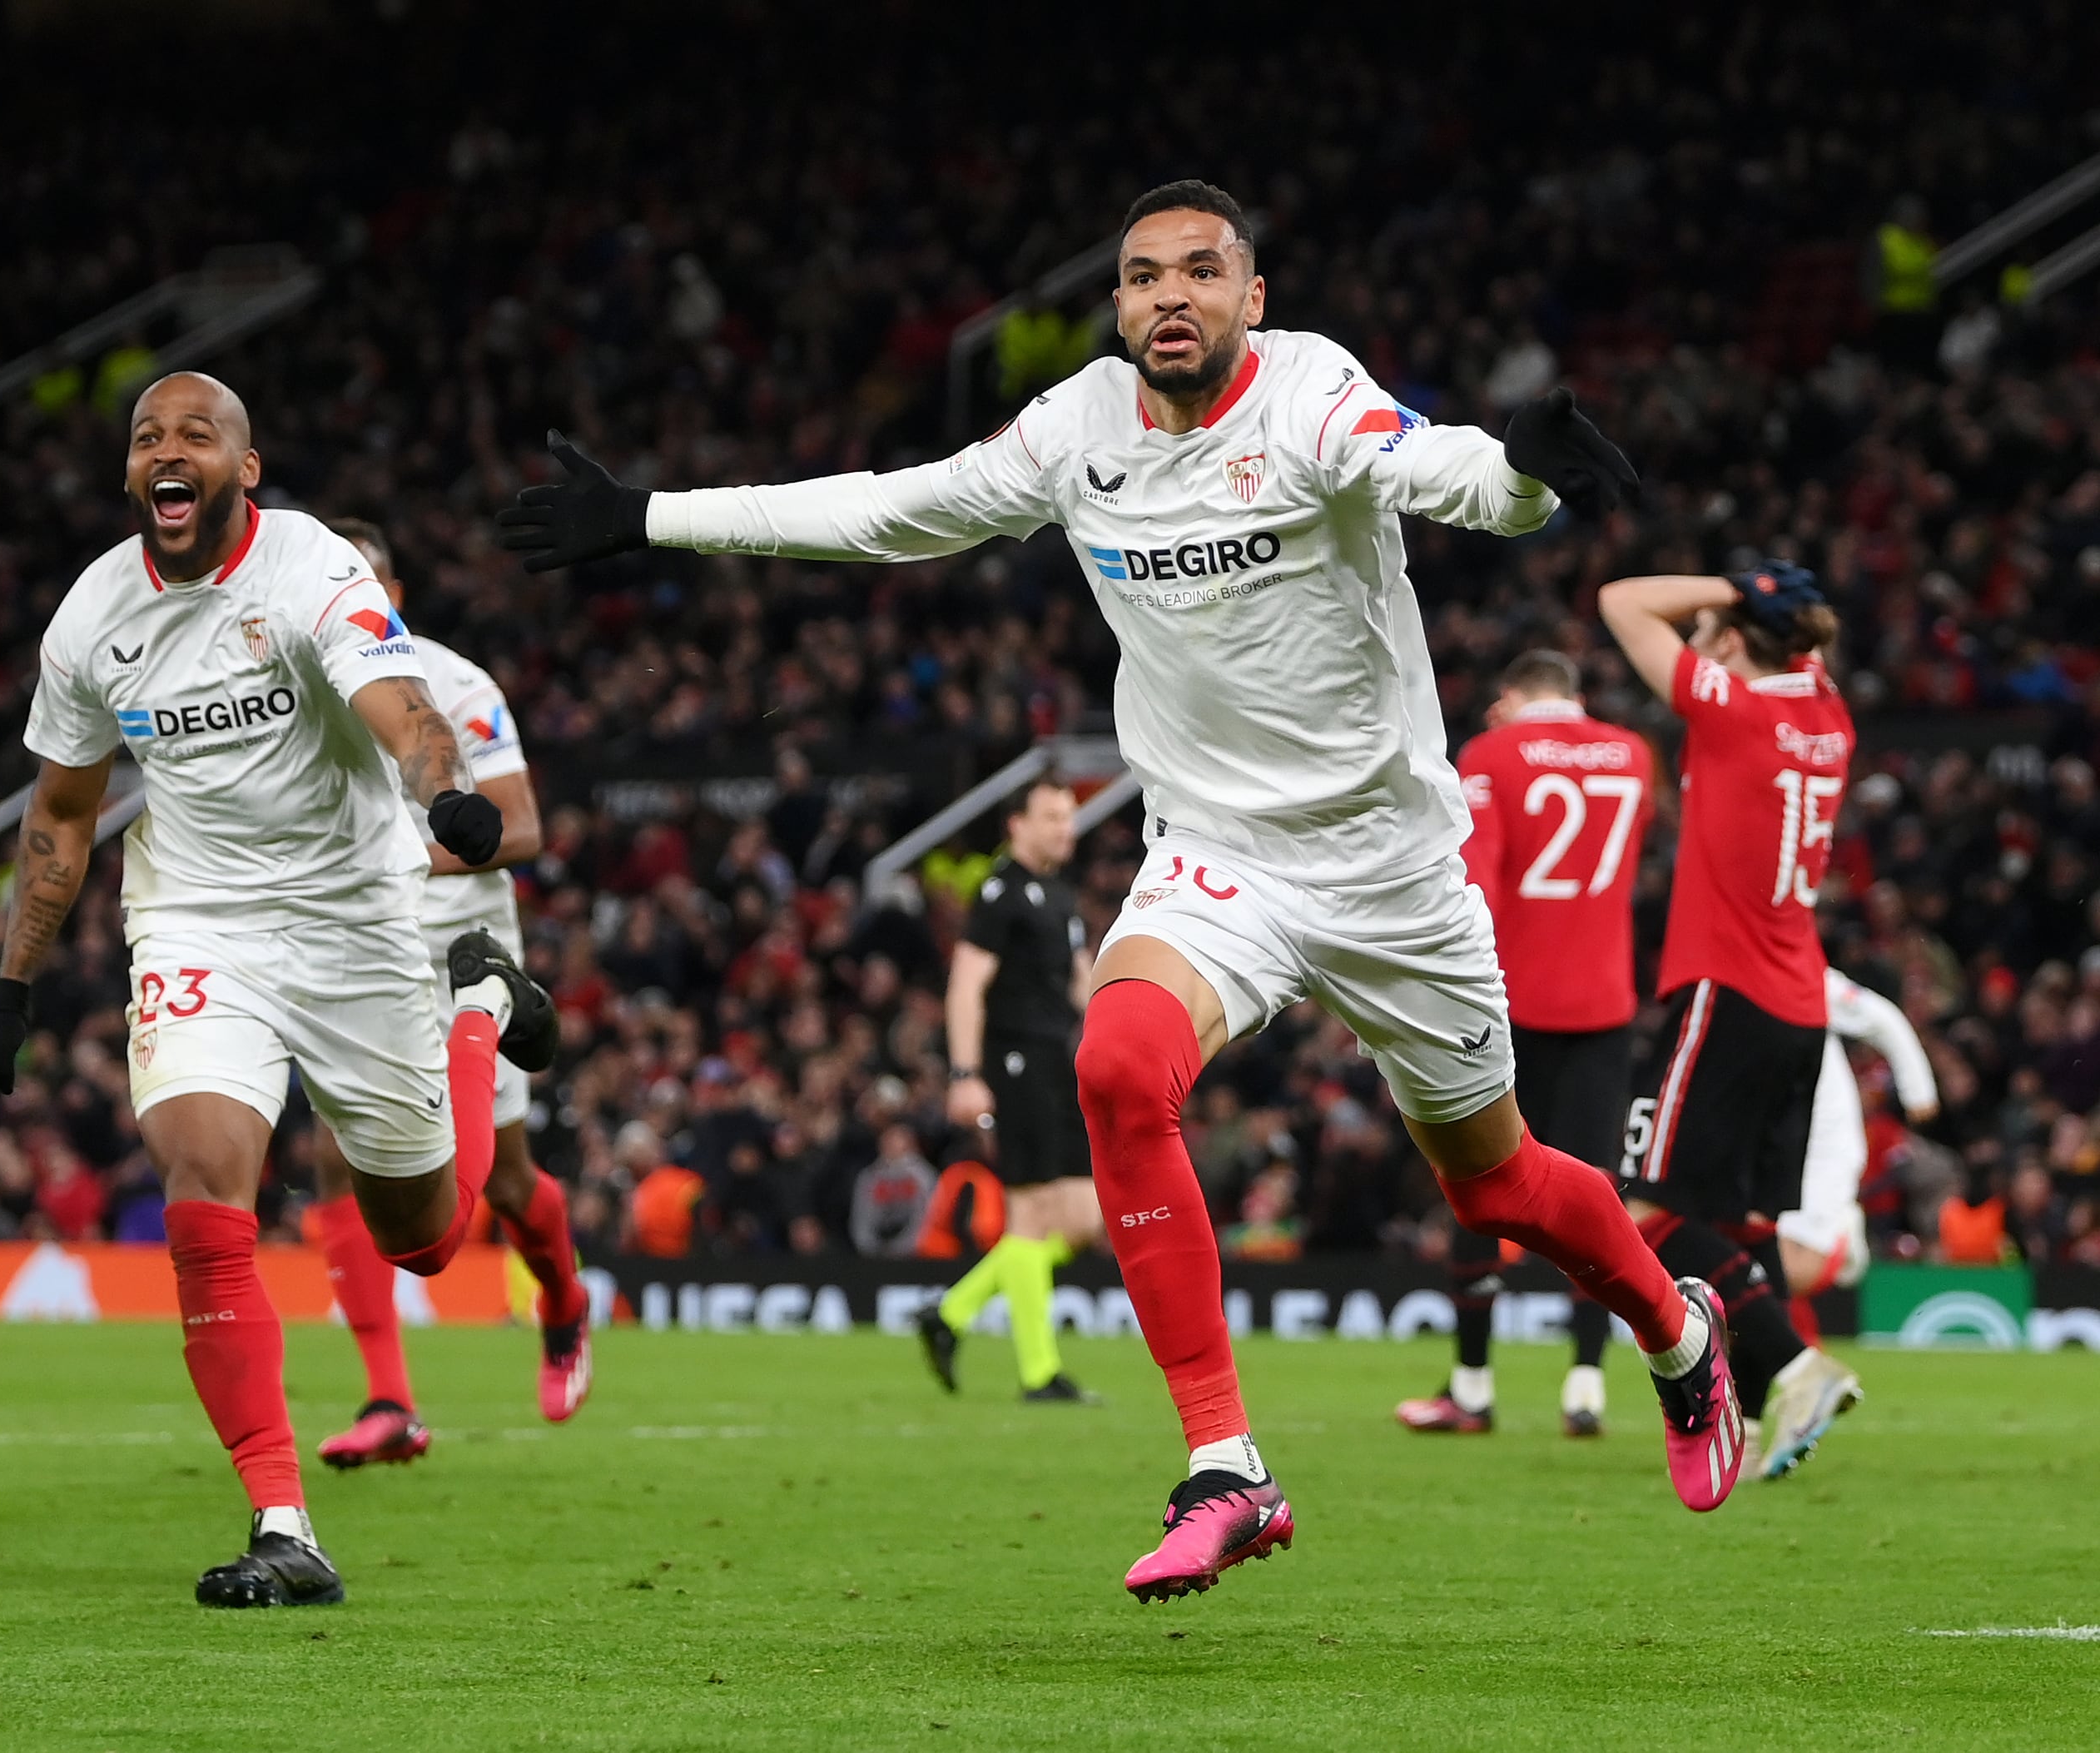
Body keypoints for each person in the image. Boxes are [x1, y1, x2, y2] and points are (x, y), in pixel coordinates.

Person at [503, 179, 1744, 1604]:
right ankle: (1229, 1463)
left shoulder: (1310, 394)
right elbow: (897, 510)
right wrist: (649, 517)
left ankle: (1675, 1330)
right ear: (1115, 306)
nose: (1170, 294)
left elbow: (1445, 471)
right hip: (1219, 852)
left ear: (1251, 300)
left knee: (1498, 1190)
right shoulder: (1077, 426)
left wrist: (1526, 474)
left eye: (1202, 271)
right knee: (1115, 1065)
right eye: (1143, 274)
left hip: (1394, 867)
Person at [0, 372, 558, 1608]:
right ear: (133, 475)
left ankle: (478, 1010)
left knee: (428, 1242)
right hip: (196, 919)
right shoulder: (92, 617)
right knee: (200, 1177)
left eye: (196, 435)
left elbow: (406, 709)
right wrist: (10, 987)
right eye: (145, 438)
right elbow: (63, 816)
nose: (166, 451)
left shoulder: (309, 566)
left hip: (355, 921)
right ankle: (285, 1520)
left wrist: (439, 786)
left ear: (246, 466)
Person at [305, 516, 592, 1472]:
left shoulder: (457, 686)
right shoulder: (295, 690)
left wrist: (400, 855)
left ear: (389, 592)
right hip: (355, 943)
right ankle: (390, 1400)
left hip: (458, 941)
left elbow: (521, 828)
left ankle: (562, 1301)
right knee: (339, 1162)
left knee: (504, 1183)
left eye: (361, 583)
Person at [1599, 561, 1866, 1483]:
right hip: (1798, 1006)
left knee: (1641, 1213)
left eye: (1713, 626)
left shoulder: (1734, 711)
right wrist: (1753, 607)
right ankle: (1758, 1419)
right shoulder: (1830, 719)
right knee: (1743, 1220)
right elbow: (1803, 641)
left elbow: (1620, 602)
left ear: (1732, 643)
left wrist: (1720, 587)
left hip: (1725, 991)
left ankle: (1793, 1368)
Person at [1396, 651, 1653, 1438]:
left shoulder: (1491, 754)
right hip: (1606, 1005)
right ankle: (1585, 1388)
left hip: (1512, 1005)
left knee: (1477, 1187)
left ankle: (1471, 1388)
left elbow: (1477, 881)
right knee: (1591, 1195)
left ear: (1510, 697)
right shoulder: (1635, 755)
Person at [920, 776, 1104, 1403]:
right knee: (1031, 1214)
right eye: (1052, 817)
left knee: (1083, 1219)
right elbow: (966, 985)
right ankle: (1039, 1374)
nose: (1066, 829)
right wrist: (967, 1074)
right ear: (1017, 825)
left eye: (1070, 817)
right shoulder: (1001, 892)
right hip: (1016, 1061)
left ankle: (951, 1312)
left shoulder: (1059, 893)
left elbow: (1080, 984)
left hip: (1059, 1063)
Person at [1778, 968, 1939, 1344]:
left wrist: (1919, 1092)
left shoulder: (1802, 974)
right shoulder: (1721, 984)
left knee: (1785, 1272)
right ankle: (1797, 1367)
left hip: (1824, 1150)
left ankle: (1840, 1231)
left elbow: (1883, 1020)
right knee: (1755, 1271)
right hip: (1774, 1149)